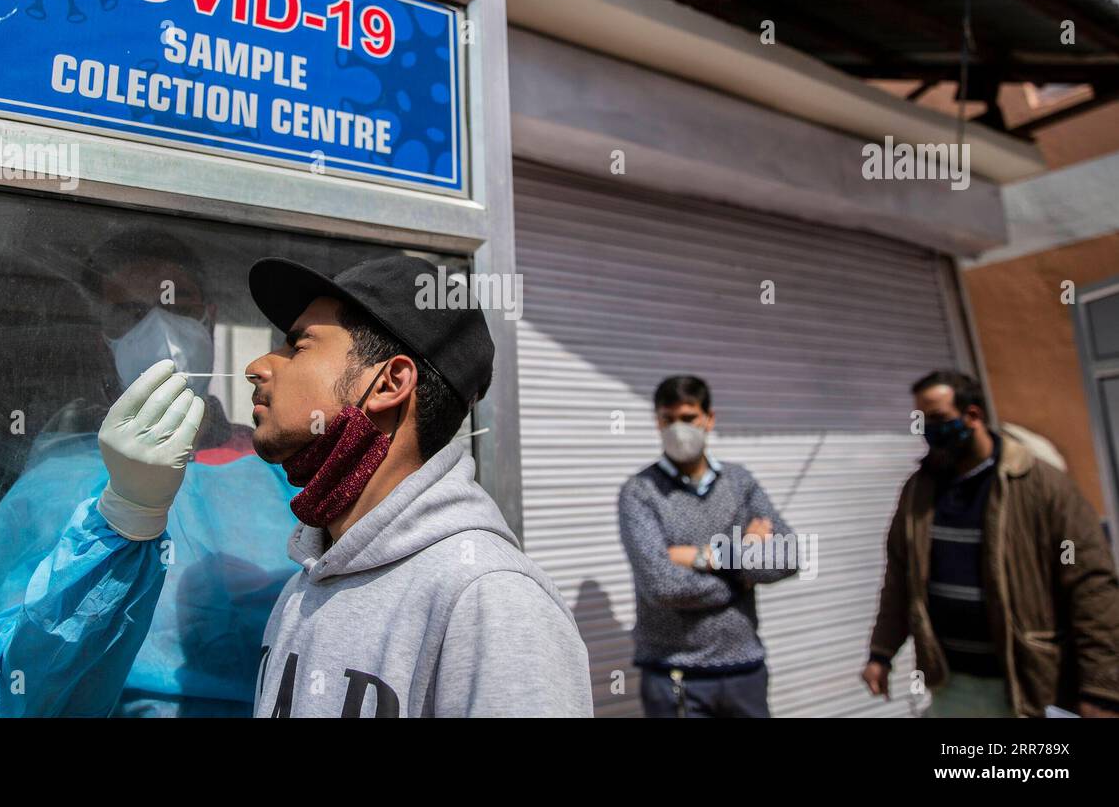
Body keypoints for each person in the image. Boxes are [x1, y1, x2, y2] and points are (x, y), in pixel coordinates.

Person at [0, 229, 300, 716]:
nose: (160, 328)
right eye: (131, 313)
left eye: (178, 305)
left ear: (211, 319)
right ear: (104, 337)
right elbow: (2, 694)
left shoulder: (284, 469)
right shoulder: (56, 483)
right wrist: (120, 514)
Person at [242, 253, 592, 716]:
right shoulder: (306, 580)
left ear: (390, 383)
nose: (258, 367)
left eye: (299, 345)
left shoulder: (491, 599)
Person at [861, 370, 1119, 718]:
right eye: (920, 420)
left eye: (937, 418)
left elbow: (1092, 590)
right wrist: (881, 653)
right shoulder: (919, 492)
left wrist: (1101, 687)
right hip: (953, 685)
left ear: (973, 415)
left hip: (1028, 684)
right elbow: (900, 580)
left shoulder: (1040, 485)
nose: (927, 430)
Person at [618, 375, 798, 718]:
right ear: (657, 421)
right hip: (674, 676)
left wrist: (707, 556)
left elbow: (788, 555)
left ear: (709, 419)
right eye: (668, 420)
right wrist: (741, 574)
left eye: (688, 418)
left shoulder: (739, 482)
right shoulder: (640, 492)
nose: (678, 429)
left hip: (744, 669)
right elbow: (663, 585)